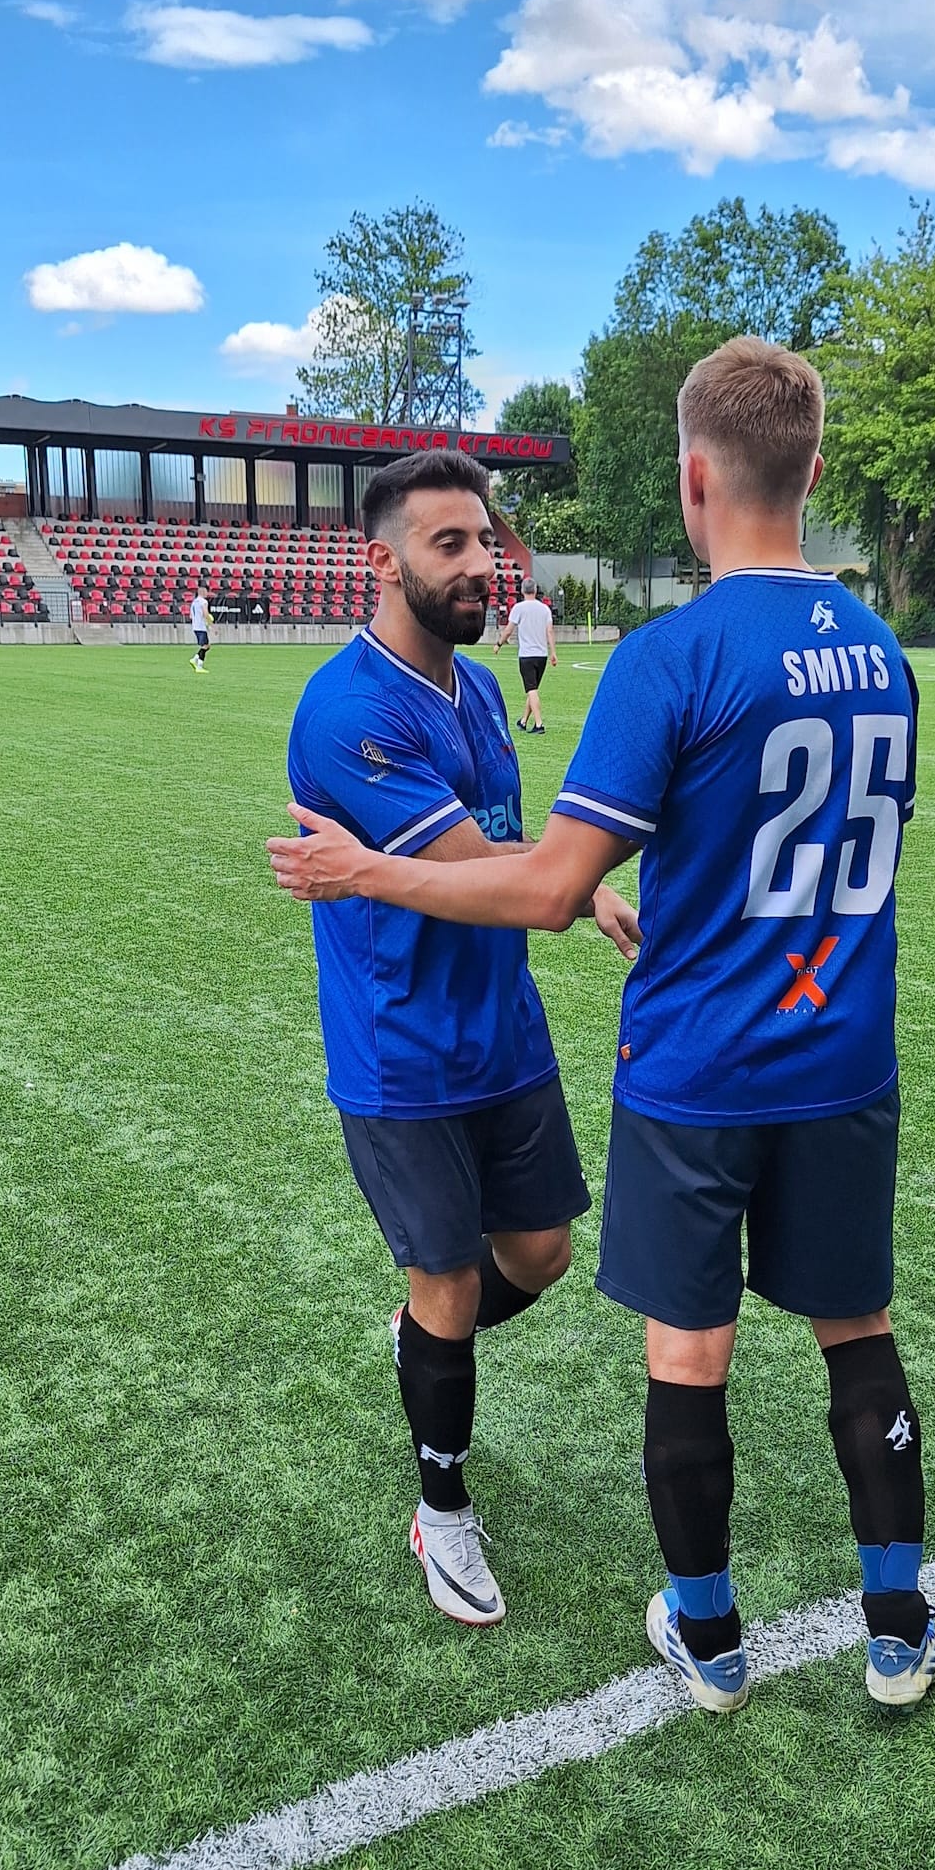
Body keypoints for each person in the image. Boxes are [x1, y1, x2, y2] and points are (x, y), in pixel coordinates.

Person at [271, 338, 935, 1716]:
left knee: (685, 1353)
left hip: (699, 1066)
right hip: (841, 1056)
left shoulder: (667, 658)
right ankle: (898, 1629)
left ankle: (710, 1643)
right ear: (813, 472)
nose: (480, 563)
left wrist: (365, 871)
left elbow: (540, 876)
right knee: (856, 1327)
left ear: (694, 476)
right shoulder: (882, 652)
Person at [283, 446, 640, 1628]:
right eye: (452, 544)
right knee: (443, 1279)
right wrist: (569, 879)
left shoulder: (479, 691)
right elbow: (468, 863)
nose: (482, 563)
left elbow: (505, 844)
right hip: (404, 1050)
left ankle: (420, 1344)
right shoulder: (345, 711)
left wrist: (571, 883)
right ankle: (441, 1508)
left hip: (505, 1031)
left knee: (536, 1255)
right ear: (381, 562)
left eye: (485, 541)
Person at [494, 575, 557, 734]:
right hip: (541, 654)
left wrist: (499, 643)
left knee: (532, 689)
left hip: (527, 655)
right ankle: (523, 721)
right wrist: (553, 652)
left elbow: (509, 629)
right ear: (535, 590)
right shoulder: (544, 609)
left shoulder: (519, 608)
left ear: (522, 591)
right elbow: (549, 631)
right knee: (533, 689)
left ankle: (539, 724)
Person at [189, 584, 213, 668]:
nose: (207, 593)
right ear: (203, 591)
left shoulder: (194, 602)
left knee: (207, 645)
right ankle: (199, 665)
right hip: (201, 626)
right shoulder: (203, 602)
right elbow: (206, 614)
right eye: (206, 591)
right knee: (205, 646)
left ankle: (195, 659)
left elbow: (191, 616)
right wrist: (211, 625)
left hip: (195, 626)